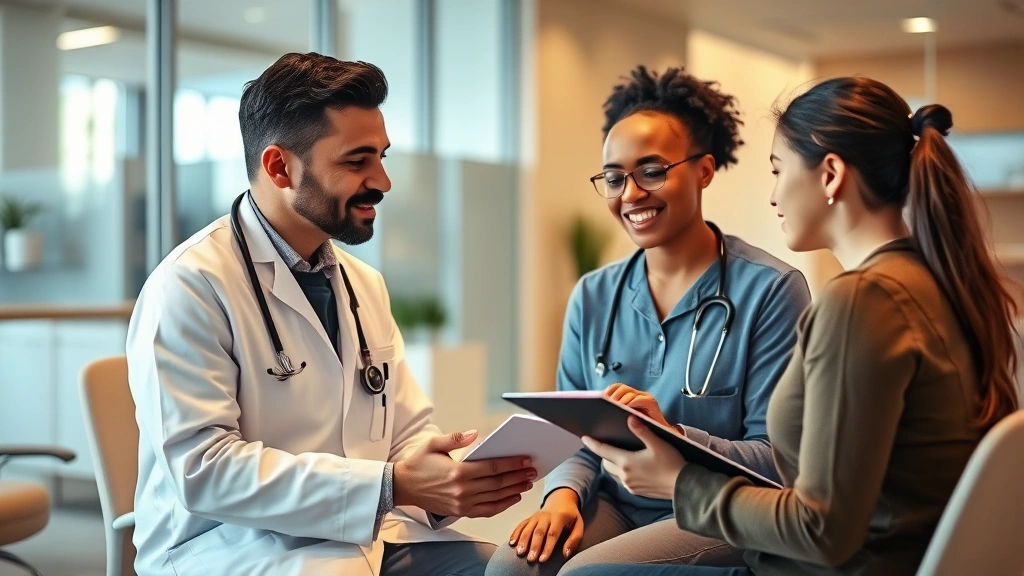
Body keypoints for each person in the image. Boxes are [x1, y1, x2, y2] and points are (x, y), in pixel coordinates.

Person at [573, 77, 1021, 576]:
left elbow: (822, 530)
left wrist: (680, 482)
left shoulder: (861, 302)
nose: (772, 195)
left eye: (778, 170)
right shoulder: (930, 283)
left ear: (830, 174)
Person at [126, 53, 536, 576]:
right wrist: (394, 485)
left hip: (370, 536)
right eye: (356, 160)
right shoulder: (190, 286)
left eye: (382, 157)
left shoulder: (364, 285)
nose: (383, 181)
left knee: (521, 571)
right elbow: (204, 471)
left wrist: (444, 484)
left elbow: (405, 430)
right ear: (280, 167)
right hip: (233, 547)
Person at [486, 66, 811, 576]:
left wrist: (673, 434)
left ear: (704, 170)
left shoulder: (770, 290)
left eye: (653, 171)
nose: (631, 194)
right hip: (616, 502)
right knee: (513, 569)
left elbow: (778, 462)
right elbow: (574, 436)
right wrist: (564, 497)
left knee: (582, 575)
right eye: (614, 178)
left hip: (713, 505)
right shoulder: (594, 294)